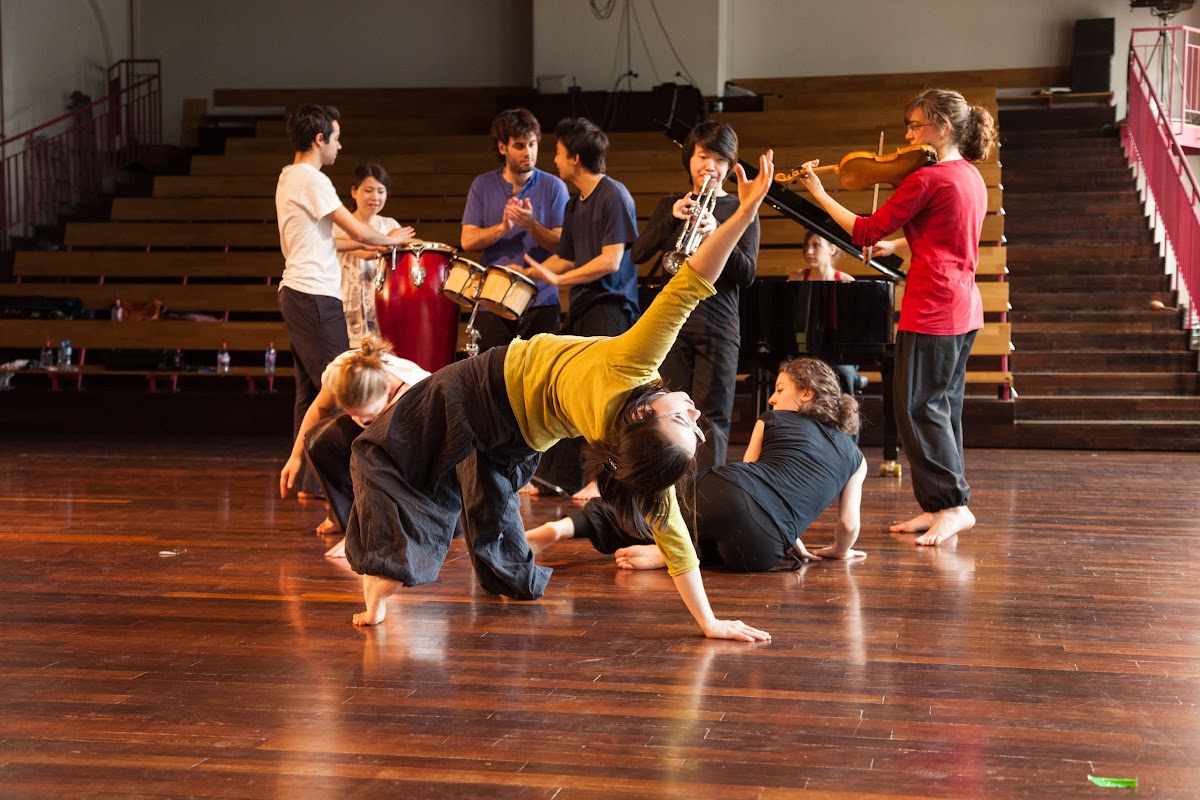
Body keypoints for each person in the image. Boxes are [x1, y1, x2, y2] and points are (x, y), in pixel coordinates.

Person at [341, 149, 778, 642]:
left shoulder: (636, 400)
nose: (695, 412)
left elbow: (694, 278)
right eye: (695, 424)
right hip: (504, 415)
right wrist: (710, 622)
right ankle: (438, 580)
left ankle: (408, 571)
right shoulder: (633, 412)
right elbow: (679, 550)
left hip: (495, 409)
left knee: (402, 470)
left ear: (644, 414)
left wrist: (742, 211)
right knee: (437, 482)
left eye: (684, 422)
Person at [794, 87, 997, 547]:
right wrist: (900, 243)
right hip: (963, 305)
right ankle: (940, 505)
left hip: (934, 307)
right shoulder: (968, 176)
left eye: (916, 125)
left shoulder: (927, 179)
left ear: (943, 128)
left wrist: (820, 194)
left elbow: (865, 230)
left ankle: (954, 506)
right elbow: (949, 230)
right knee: (940, 410)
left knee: (917, 408)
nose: (908, 135)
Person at [526, 357, 867, 571]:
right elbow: (849, 525)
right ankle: (672, 555)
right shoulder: (856, 458)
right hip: (763, 548)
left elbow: (751, 472)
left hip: (733, 493)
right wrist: (836, 550)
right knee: (717, 538)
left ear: (806, 393)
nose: (773, 398)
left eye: (780, 389)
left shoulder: (774, 418)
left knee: (656, 508)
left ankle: (563, 529)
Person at [275, 105, 405, 497]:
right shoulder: (312, 179)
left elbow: (332, 239)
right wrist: (392, 241)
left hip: (299, 293)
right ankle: (349, 489)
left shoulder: (290, 177)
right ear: (319, 139)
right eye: (335, 137)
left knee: (311, 394)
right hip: (313, 295)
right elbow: (360, 232)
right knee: (347, 390)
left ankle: (310, 484)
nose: (339, 145)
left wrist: (372, 244)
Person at [522, 117, 641, 498]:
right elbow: (566, 260)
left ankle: (600, 480)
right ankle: (557, 477)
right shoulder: (575, 204)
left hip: (611, 307)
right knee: (568, 390)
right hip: (583, 307)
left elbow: (610, 260)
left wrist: (558, 281)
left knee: (602, 397)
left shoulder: (613, 195)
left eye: (557, 153)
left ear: (575, 157)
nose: (553, 160)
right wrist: (528, 273)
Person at [629, 121, 759, 471]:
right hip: (672, 322)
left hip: (718, 324)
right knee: (667, 408)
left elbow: (746, 273)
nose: (710, 166)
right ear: (690, 159)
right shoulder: (672, 204)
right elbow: (638, 253)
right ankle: (669, 487)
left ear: (731, 167)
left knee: (713, 414)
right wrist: (672, 220)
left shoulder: (739, 210)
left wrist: (718, 234)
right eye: (703, 156)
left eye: (720, 159)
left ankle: (705, 493)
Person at [279, 335, 430, 555]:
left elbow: (401, 473)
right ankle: (345, 519)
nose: (364, 421)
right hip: (384, 432)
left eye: (368, 416)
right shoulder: (343, 373)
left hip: (420, 454)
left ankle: (371, 528)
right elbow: (319, 409)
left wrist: (368, 538)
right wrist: (295, 457)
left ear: (387, 389)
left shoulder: (416, 394)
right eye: (355, 415)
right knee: (317, 441)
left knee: (373, 461)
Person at [461, 108, 569, 352]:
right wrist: (502, 227)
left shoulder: (554, 187)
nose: (528, 153)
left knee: (539, 377)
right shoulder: (482, 185)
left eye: (532, 144)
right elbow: (467, 241)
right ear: (502, 148)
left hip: (540, 299)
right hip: (493, 298)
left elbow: (563, 245)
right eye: (519, 146)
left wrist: (531, 224)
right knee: (493, 377)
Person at [334, 164, 416, 344]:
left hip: (381, 305)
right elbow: (363, 252)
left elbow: (410, 243)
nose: (375, 197)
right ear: (354, 192)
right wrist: (389, 241)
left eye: (381, 191)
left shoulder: (390, 224)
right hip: (348, 303)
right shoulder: (341, 223)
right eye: (368, 190)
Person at [787, 229, 855, 283]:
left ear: (832, 249)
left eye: (816, 245)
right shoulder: (796, 278)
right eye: (807, 246)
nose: (809, 251)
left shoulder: (847, 281)